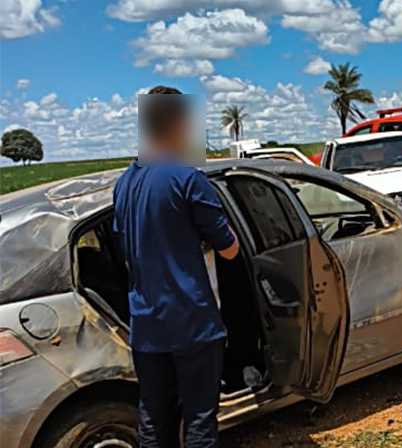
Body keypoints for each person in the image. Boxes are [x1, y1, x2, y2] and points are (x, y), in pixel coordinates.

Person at [113, 85, 240, 447]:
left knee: (154, 417)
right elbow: (229, 249)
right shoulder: (188, 179)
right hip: (192, 322)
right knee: (200, 418)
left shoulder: (125, 183)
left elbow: (126, 246)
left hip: (146, 325)